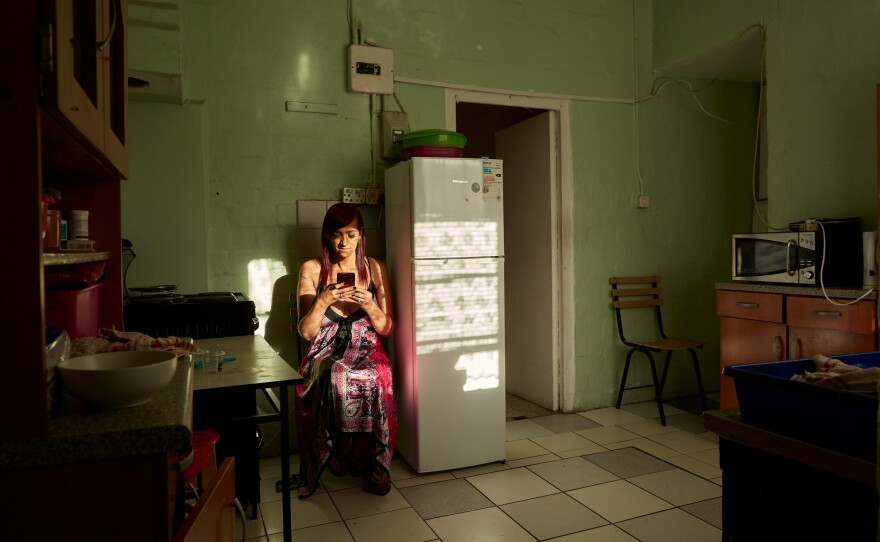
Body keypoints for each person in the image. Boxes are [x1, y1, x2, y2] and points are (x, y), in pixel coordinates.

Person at [292, 202, 397, 498]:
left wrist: (369, 304)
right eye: (337, 235)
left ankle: (365, 454)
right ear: (326, 236)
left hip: (367, 348)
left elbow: (387, 328)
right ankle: (339, 449)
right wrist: (323, 301)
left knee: (380, 376)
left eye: (351, 235)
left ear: (361, 235)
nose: (343, 243)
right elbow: (307, 332)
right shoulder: (312, 269)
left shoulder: (375, 268)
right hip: (324, 351)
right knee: (333, 374)